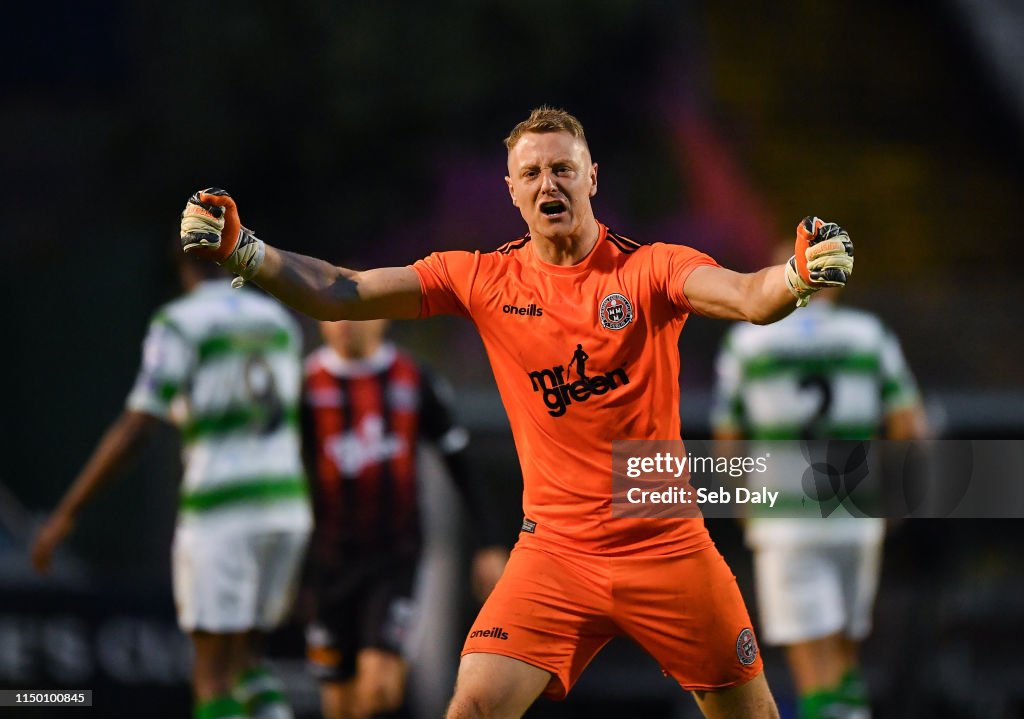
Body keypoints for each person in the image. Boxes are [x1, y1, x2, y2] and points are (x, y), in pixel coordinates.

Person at [177, 106, 855, 719]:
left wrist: (795, 277)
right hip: (555, 548)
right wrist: (249, 253)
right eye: (531, 172)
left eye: (562, 167)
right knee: (471, 707)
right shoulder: (483, 280)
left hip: (664, 541)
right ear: (511, 189)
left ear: (593, 175)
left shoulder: (649, 271)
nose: (547, 183)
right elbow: (345, 292)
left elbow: (745, 294)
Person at [31, 252, 312, 719]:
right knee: (248, 664)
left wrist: (68, 511)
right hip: (286, 506)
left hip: (223, 510)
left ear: (182, 268)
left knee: (212, 674)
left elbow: (138, 426)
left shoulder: (181, 322)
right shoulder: (278, 319)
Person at [711, 279, 927, 719]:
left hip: (788, 520)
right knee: (844, 661)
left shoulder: (748, 342)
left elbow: (728, 436)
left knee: (814, 667)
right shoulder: (868, 334)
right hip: (855, 514)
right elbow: (908, 424)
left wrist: (739, 504)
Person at [302, 316, 509, 719]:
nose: (347, 324)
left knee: (380, 687)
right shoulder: (305, 385)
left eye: (358, 313)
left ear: (382, 319)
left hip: (394, 557)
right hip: (328, 563)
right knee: (339, 700)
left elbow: (460, 465)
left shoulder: (412, 379)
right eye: (334, 314)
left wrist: (490, 542)